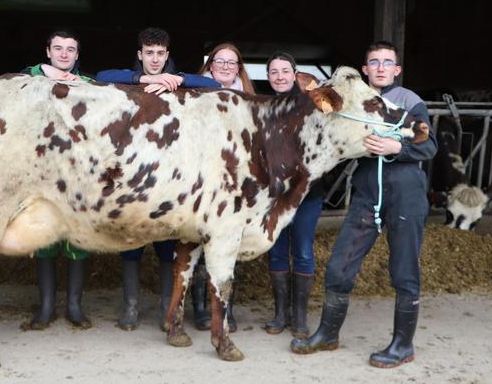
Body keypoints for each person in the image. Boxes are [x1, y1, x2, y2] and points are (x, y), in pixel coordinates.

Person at [291, 41, 437, 369]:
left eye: (388, 62)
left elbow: (429, 147)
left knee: (404, 270)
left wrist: (395, 147)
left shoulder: (409, 101)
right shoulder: (356, 102)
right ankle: (327, 334)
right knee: (339, 265)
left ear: (397, 70)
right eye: (375, 62)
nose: (381, 67)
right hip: (367, 193)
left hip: (406, 192)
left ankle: (402, 345)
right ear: (365, 68)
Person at [96, 27, 218, 331]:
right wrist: (143, 79)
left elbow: (213, 82)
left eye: (160, 53)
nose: (154, 59)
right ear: (140, 55)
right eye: (148, 53)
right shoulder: (126, 78)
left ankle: (166, 307)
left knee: (167, 247)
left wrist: (180, 80)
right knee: (131, 245)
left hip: (169, 180)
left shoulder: (180, 82)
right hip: (134, 179)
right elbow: (100, 75)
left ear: (167, 54)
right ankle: (131, 309)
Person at [22, 30, 93, 330]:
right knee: (44, 239)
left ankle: (74, 306)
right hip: (42, 172)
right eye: (59, 49)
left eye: (71, 50)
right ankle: (47, 306)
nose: (64, 54)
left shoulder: (89, 85)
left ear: (78, 55)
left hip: (78, 173)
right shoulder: (30, 77)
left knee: (78, 239)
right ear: (48, 51)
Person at [193, 42, 256, 332]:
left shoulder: (250, 102)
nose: (226, 67)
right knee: (196, 243)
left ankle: (224, 308)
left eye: (232, 63)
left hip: (235, 185)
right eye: (220, 61)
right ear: (210, 65)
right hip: (200, 182)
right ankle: (200, 310)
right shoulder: (196, 95)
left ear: (239, 69)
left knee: (228, 246)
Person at [263, 53, 323, 337]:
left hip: (306, 193)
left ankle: (299, 317)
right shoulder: (263, 107)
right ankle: (280, 315)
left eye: (285, 71)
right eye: (273, 72)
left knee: (302, 249)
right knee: (275, 250)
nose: (279, 76)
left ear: (296, 74)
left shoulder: (313, 106)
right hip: (273, 194)